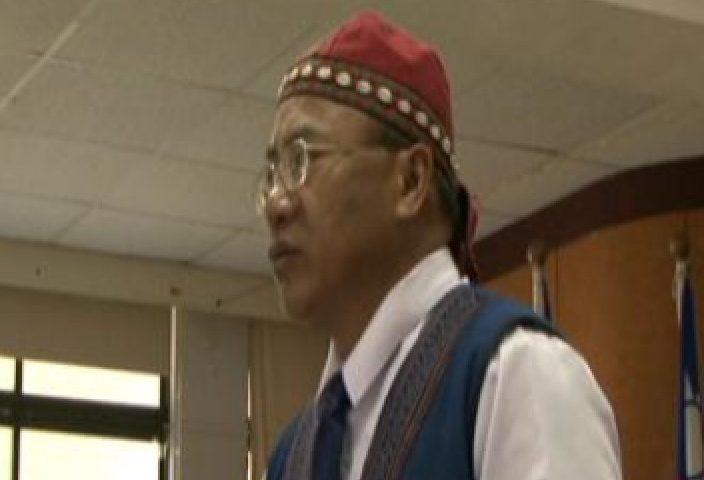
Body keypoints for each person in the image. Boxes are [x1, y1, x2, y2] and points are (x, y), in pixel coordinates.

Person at [256, 11, 622, 480]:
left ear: (411, 181)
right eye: (273, 173)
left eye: (303, 160)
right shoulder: (293, 454)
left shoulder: (515, 375)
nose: (276, 203)